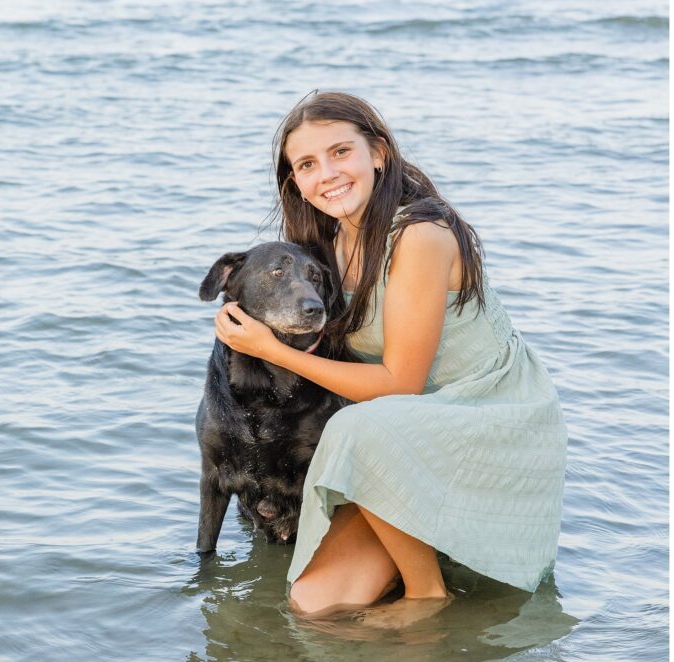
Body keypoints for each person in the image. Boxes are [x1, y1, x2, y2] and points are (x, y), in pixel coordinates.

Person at [214, 91, 568, 622]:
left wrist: (272, 352)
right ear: (295, 183)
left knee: (357, 426)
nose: (327, 173)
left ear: (378, 152)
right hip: (402, 433)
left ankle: (427, 593)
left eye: (341, 152)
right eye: (307, 164)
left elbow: (400, 382)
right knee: (315, 605)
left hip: (486, 417)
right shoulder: (324, 249)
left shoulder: (421, 235)